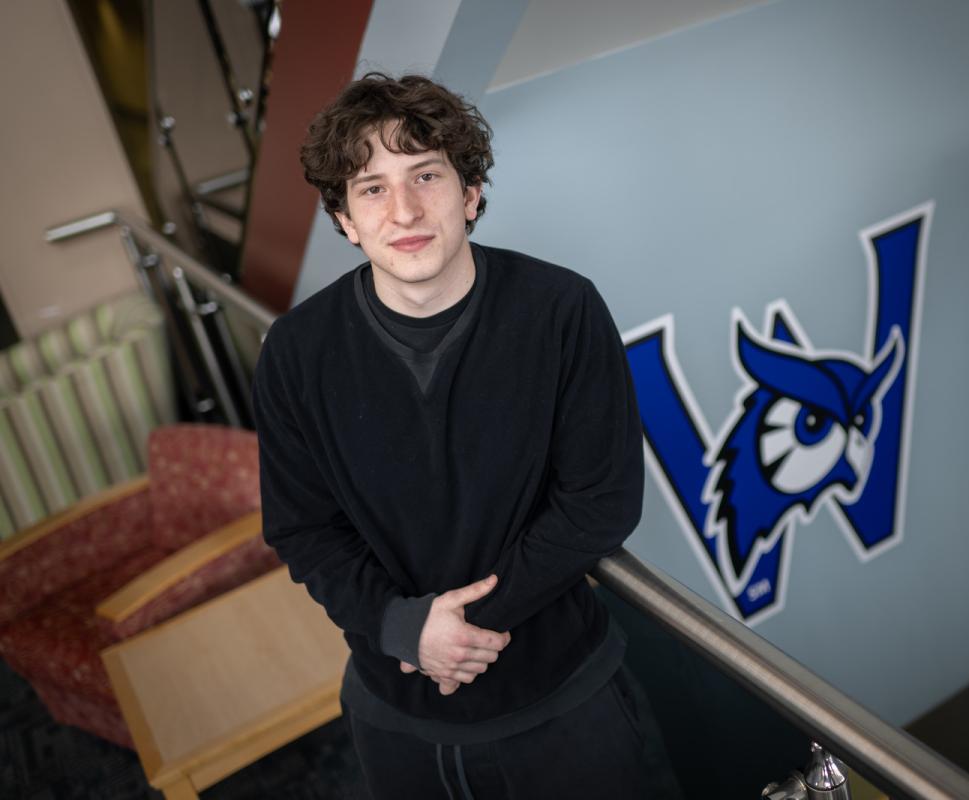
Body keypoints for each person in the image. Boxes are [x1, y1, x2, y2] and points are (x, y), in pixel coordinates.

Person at [251, 72, 666, 799]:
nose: (404, 209)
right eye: (371, 188)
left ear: (470, 194)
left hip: (564, 702)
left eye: (426, 175)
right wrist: (401, 628)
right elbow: (303, 527)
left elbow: (599, 503)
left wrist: (456, 631)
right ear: (345, 220)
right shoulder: (295, 353)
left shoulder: (560, 310)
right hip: (396, 717)